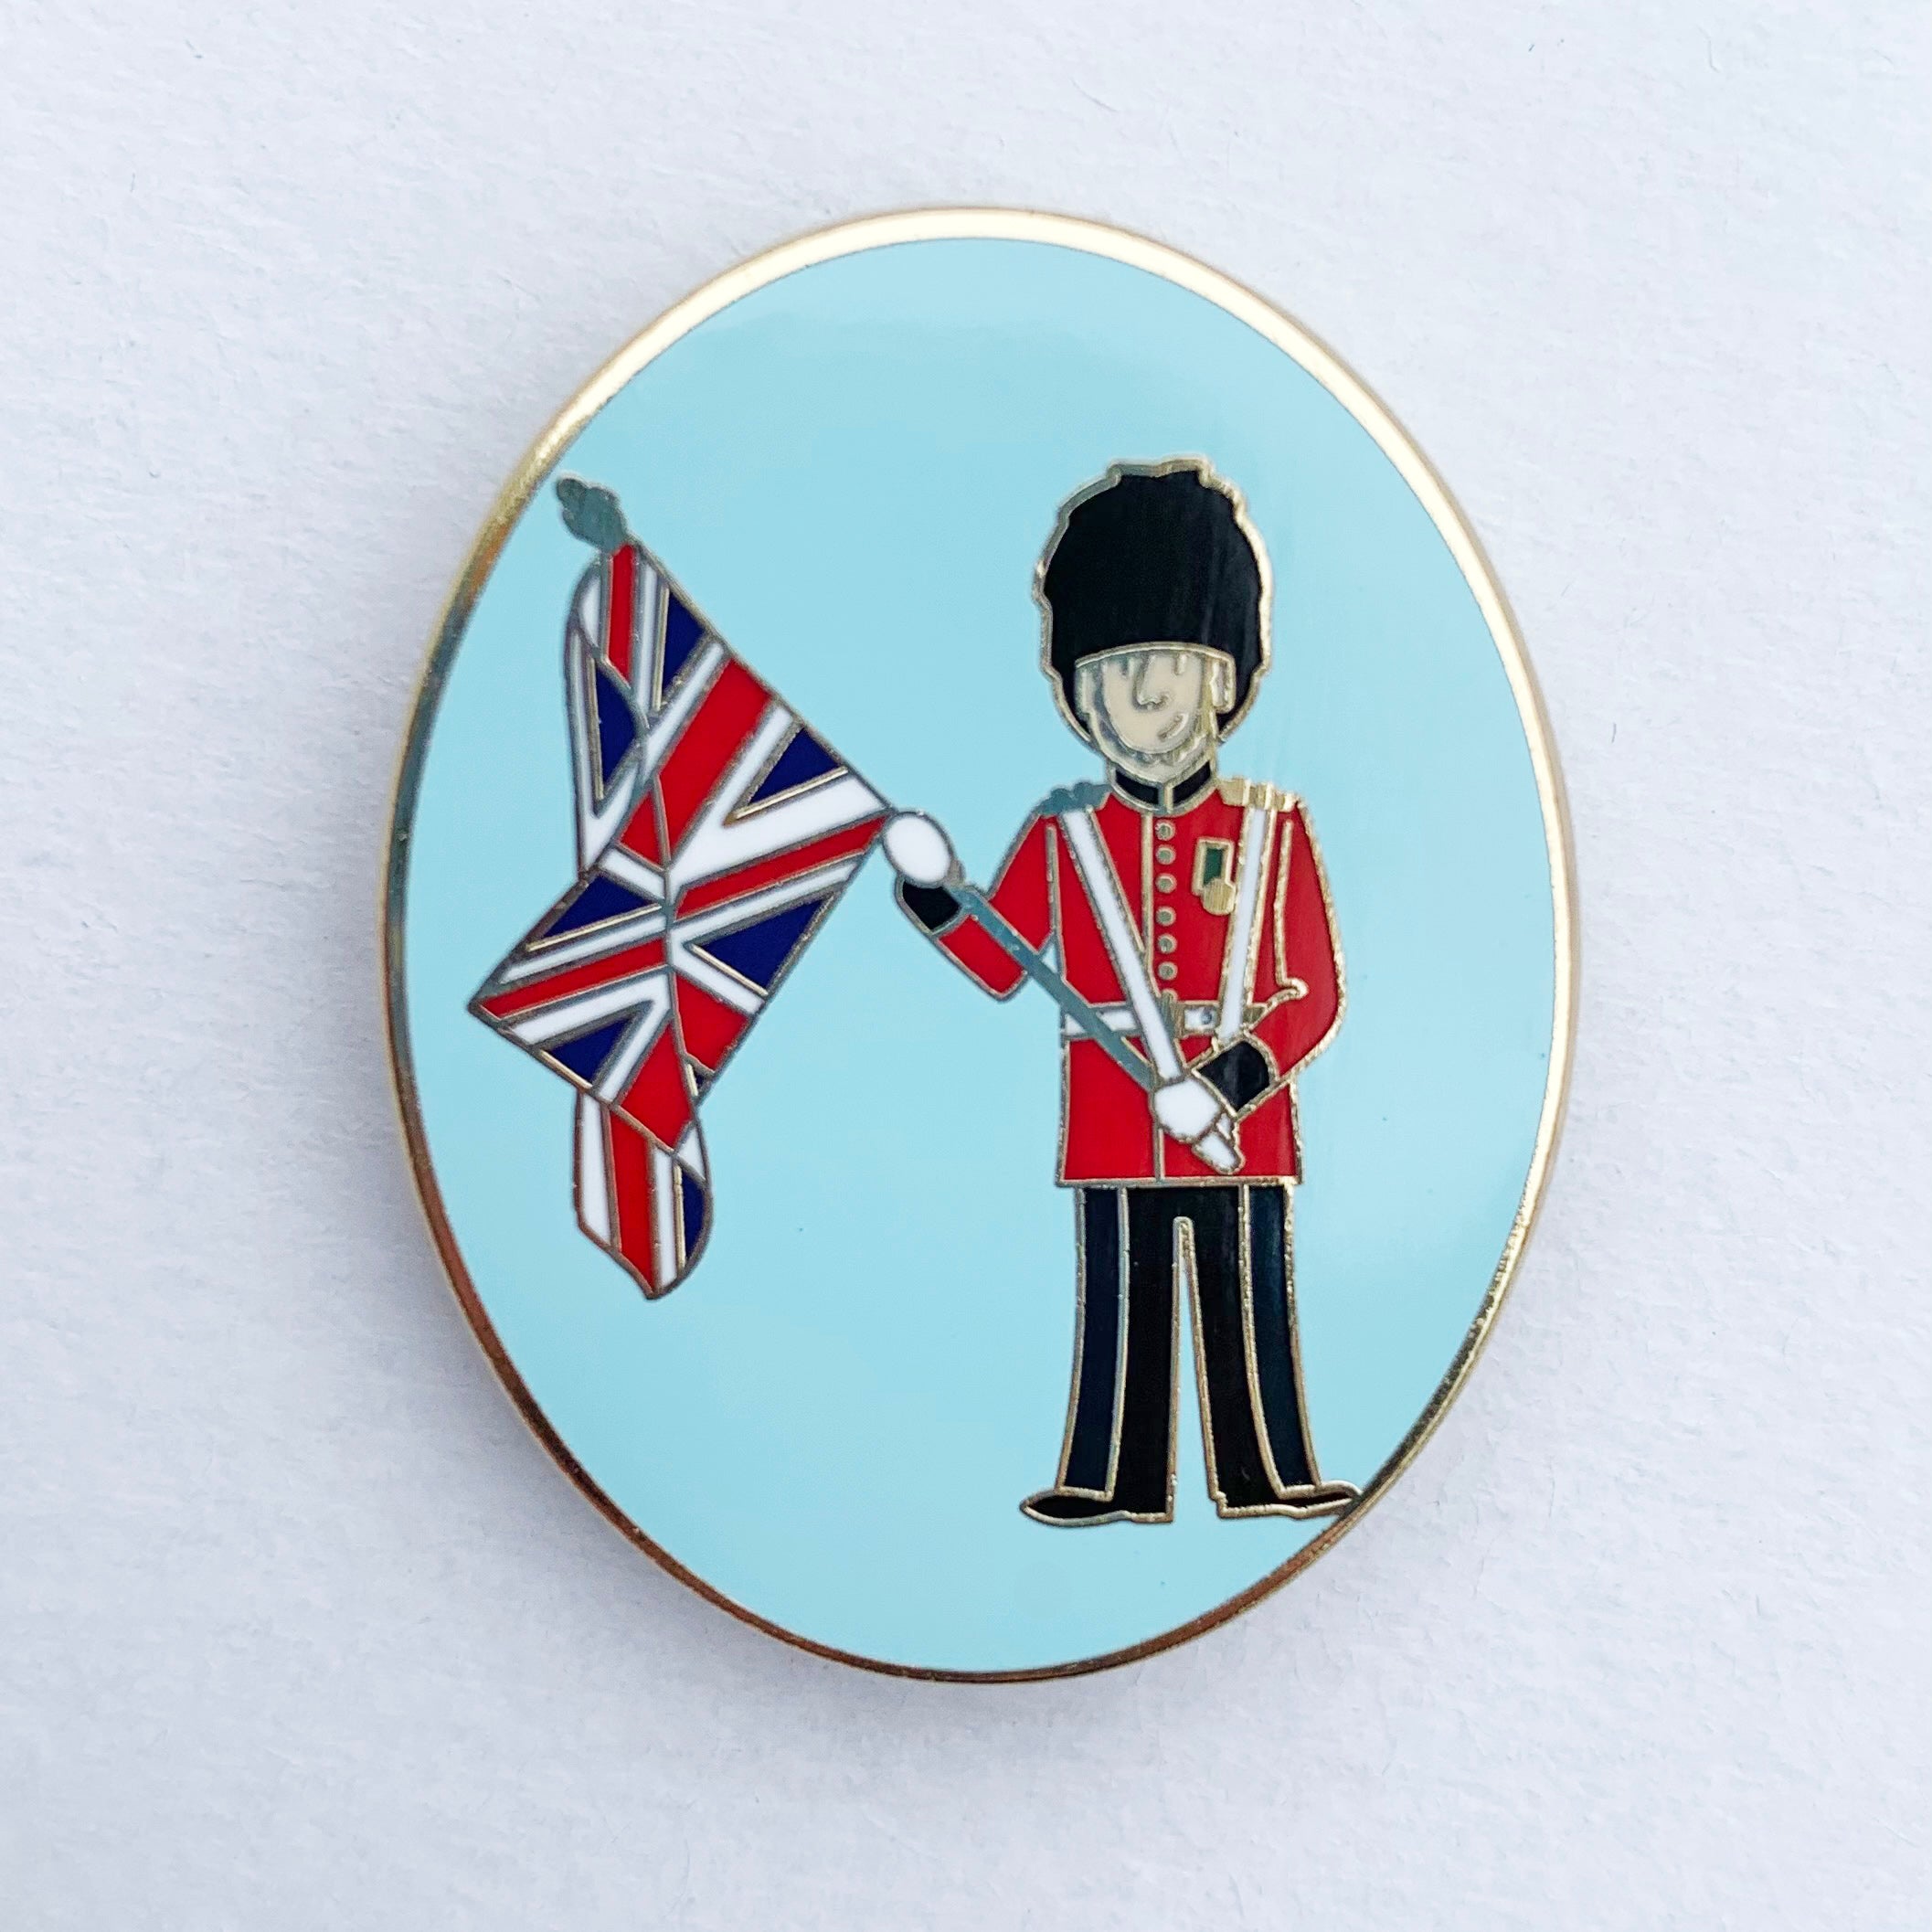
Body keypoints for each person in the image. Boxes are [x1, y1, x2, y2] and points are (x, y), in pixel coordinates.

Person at [883, 460, 1358, 1524]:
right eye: (1113, 668)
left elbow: (1311, 992)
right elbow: (1000, 960)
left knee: (1244, 1293)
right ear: (1077, 693)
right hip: (1114, 1110)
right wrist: (934, 892)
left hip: (1238, 1121)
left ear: (1224, 680)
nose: (1143, 696)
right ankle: (1113, 1474)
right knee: (1122, 1304)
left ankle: (1265, 1467)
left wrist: (1226, 1081)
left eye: (1170, 664)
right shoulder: (1066, 835)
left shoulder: (1271, 829)